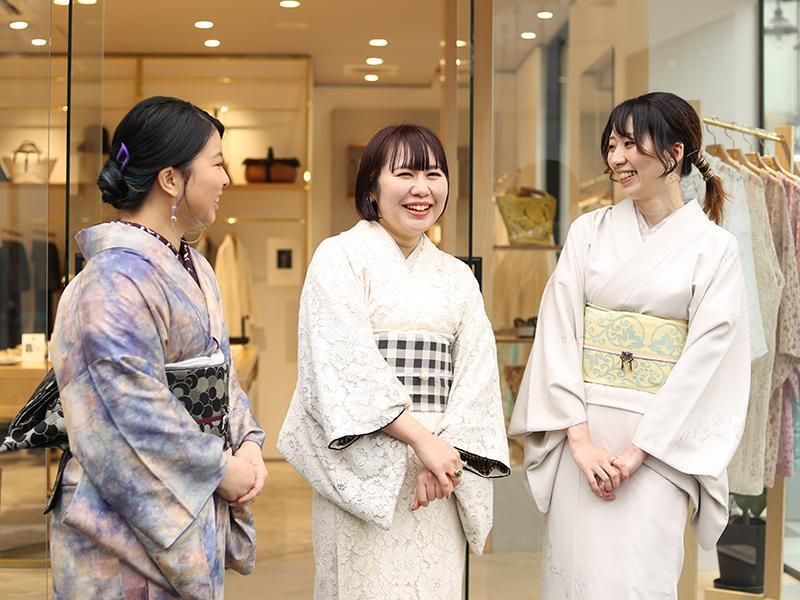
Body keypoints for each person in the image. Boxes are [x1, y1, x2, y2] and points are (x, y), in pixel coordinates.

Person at [508, 92, 751, 598]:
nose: (616, 158)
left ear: (674, 153)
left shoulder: (715, 249)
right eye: (611, 145)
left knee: (640, 581)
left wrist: (642, 450)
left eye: (629, 144)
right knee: (574, 578)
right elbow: (558, 332)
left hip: (660, 446)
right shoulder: (588, 232)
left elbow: (708, 360)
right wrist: (579, 442)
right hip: (583, 435)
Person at [278, 124, 510, 599]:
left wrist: (446, 455)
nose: (421, 188)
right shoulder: (339, 257)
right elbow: (342, 365)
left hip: (439, 477)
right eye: (405, 174)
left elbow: (478, 379)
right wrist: (422, 441)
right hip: (366, 471)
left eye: (433, 175)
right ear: (371, 187)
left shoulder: (457, 277)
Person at [49, 96, 268, 599]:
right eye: (217, 163)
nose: (226, 179)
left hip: (196, 494)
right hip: (117, 534)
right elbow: (131, 411)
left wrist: (249, 443)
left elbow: (222, 378)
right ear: (171, 179)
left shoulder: (197, 265)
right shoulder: (109, 280)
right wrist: (220, 468)